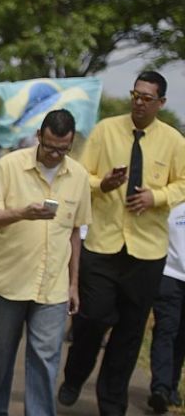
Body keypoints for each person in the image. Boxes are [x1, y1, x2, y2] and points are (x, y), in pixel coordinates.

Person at [59, 71, 185, 415]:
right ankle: (74, 376)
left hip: (147, 251)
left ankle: (112, 403)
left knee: (130, 334)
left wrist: (156, 197)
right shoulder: (106, 131)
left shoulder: (174, 141)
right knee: (92, 319)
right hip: (103, 245)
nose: (139, 102)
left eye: (147, 98)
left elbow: (183, 183)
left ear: (160, 103)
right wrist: (106, 185)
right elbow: (82, 176)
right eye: (136, 94)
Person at [0, 109, 92, 416]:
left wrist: (73, 284)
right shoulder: (9, 166)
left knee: (45, 358)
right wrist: (21, 213)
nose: (55, 155)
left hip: (53, 286)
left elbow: (75, 234)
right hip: (9, 282)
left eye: (63, 149)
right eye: (50, 146)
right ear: (39, 136)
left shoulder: (79, 176)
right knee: (0, 359)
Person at [148, 202, 185, 414]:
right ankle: (160, 389)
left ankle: (171, 385)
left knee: (181, 336)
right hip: (170, 275)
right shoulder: (173, 202)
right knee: (166, 330)